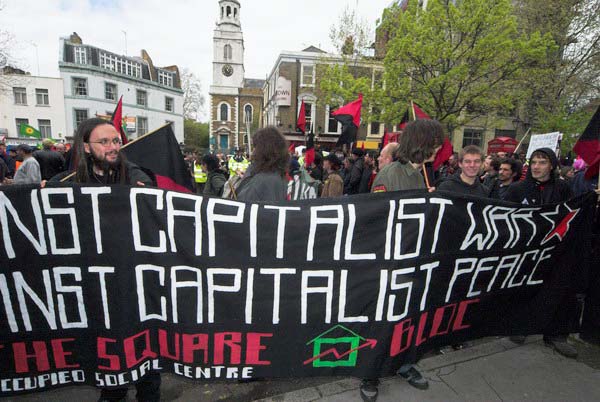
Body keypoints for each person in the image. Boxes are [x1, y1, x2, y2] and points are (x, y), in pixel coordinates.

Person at [363, 120, 444, 401]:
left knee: (407, 317)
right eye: (435, 143)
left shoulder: (422, 174)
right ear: (421, 144)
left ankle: (404, 364)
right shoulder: (389, 174)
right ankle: (370, 373)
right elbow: (377, 219)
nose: (439, 148)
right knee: (382, 320)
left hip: (412, 260)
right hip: (389, 263)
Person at [504, 148, 577, 358]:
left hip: (555, 251)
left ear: (551, 165)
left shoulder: (563, 188)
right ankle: (521, 327)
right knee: (526, 290)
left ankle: (555, 335)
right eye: (533, 162)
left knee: (557, 290)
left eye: (542, 162)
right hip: (527, 252)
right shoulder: (517, 189)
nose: (536, 166)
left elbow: (572, 214)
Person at [235, 127, 289, 202]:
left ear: (262, 150)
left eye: (255, 147)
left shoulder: (258, 182)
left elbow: (242, 203)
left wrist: (248, 176)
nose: (253, 152)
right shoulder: (280, 177)